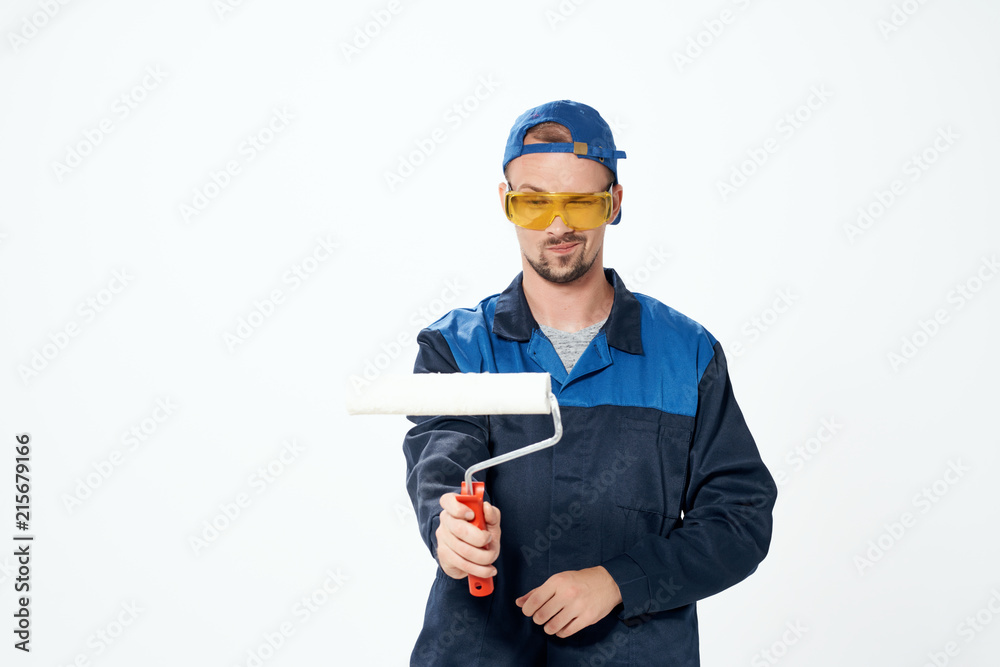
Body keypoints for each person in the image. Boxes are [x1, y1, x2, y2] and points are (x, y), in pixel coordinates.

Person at [403, 100, 777, 666]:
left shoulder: (686, 354)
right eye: (534, 202)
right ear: (506, 203)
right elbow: (444, 460)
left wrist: (620, 581)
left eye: (580, 201)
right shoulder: (458, 348)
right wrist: (448, 524)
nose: (558, 226)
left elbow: (740, 518)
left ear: (614, 203)